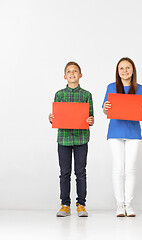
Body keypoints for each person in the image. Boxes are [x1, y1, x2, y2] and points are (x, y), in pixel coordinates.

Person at [103, 57, 142, 217]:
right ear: (117, 71)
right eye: (121, 68)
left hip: (133, 132)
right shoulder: (111, 87)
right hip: (115, 132)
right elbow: (105, 109)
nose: (124, 71)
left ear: (133, 70)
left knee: (130, 168)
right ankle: (119, 204)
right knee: (118, 168)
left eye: (127, 68)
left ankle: (128, 204)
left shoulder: (140, 88)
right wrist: (105, 107)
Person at [49, 61, 94, 217]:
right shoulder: (59, 94)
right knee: (64, 173)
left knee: (81, 172)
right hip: (64, 139)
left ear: (80, 75)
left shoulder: (86, 95)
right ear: (65, 76)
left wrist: (91, 120)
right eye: (69, 71)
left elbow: (91, 117)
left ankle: (81, 204)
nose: (72, 73)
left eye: (75, 71)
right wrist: (51, 118)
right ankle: (65, 205)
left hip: (81, 138)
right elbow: (56, 117)